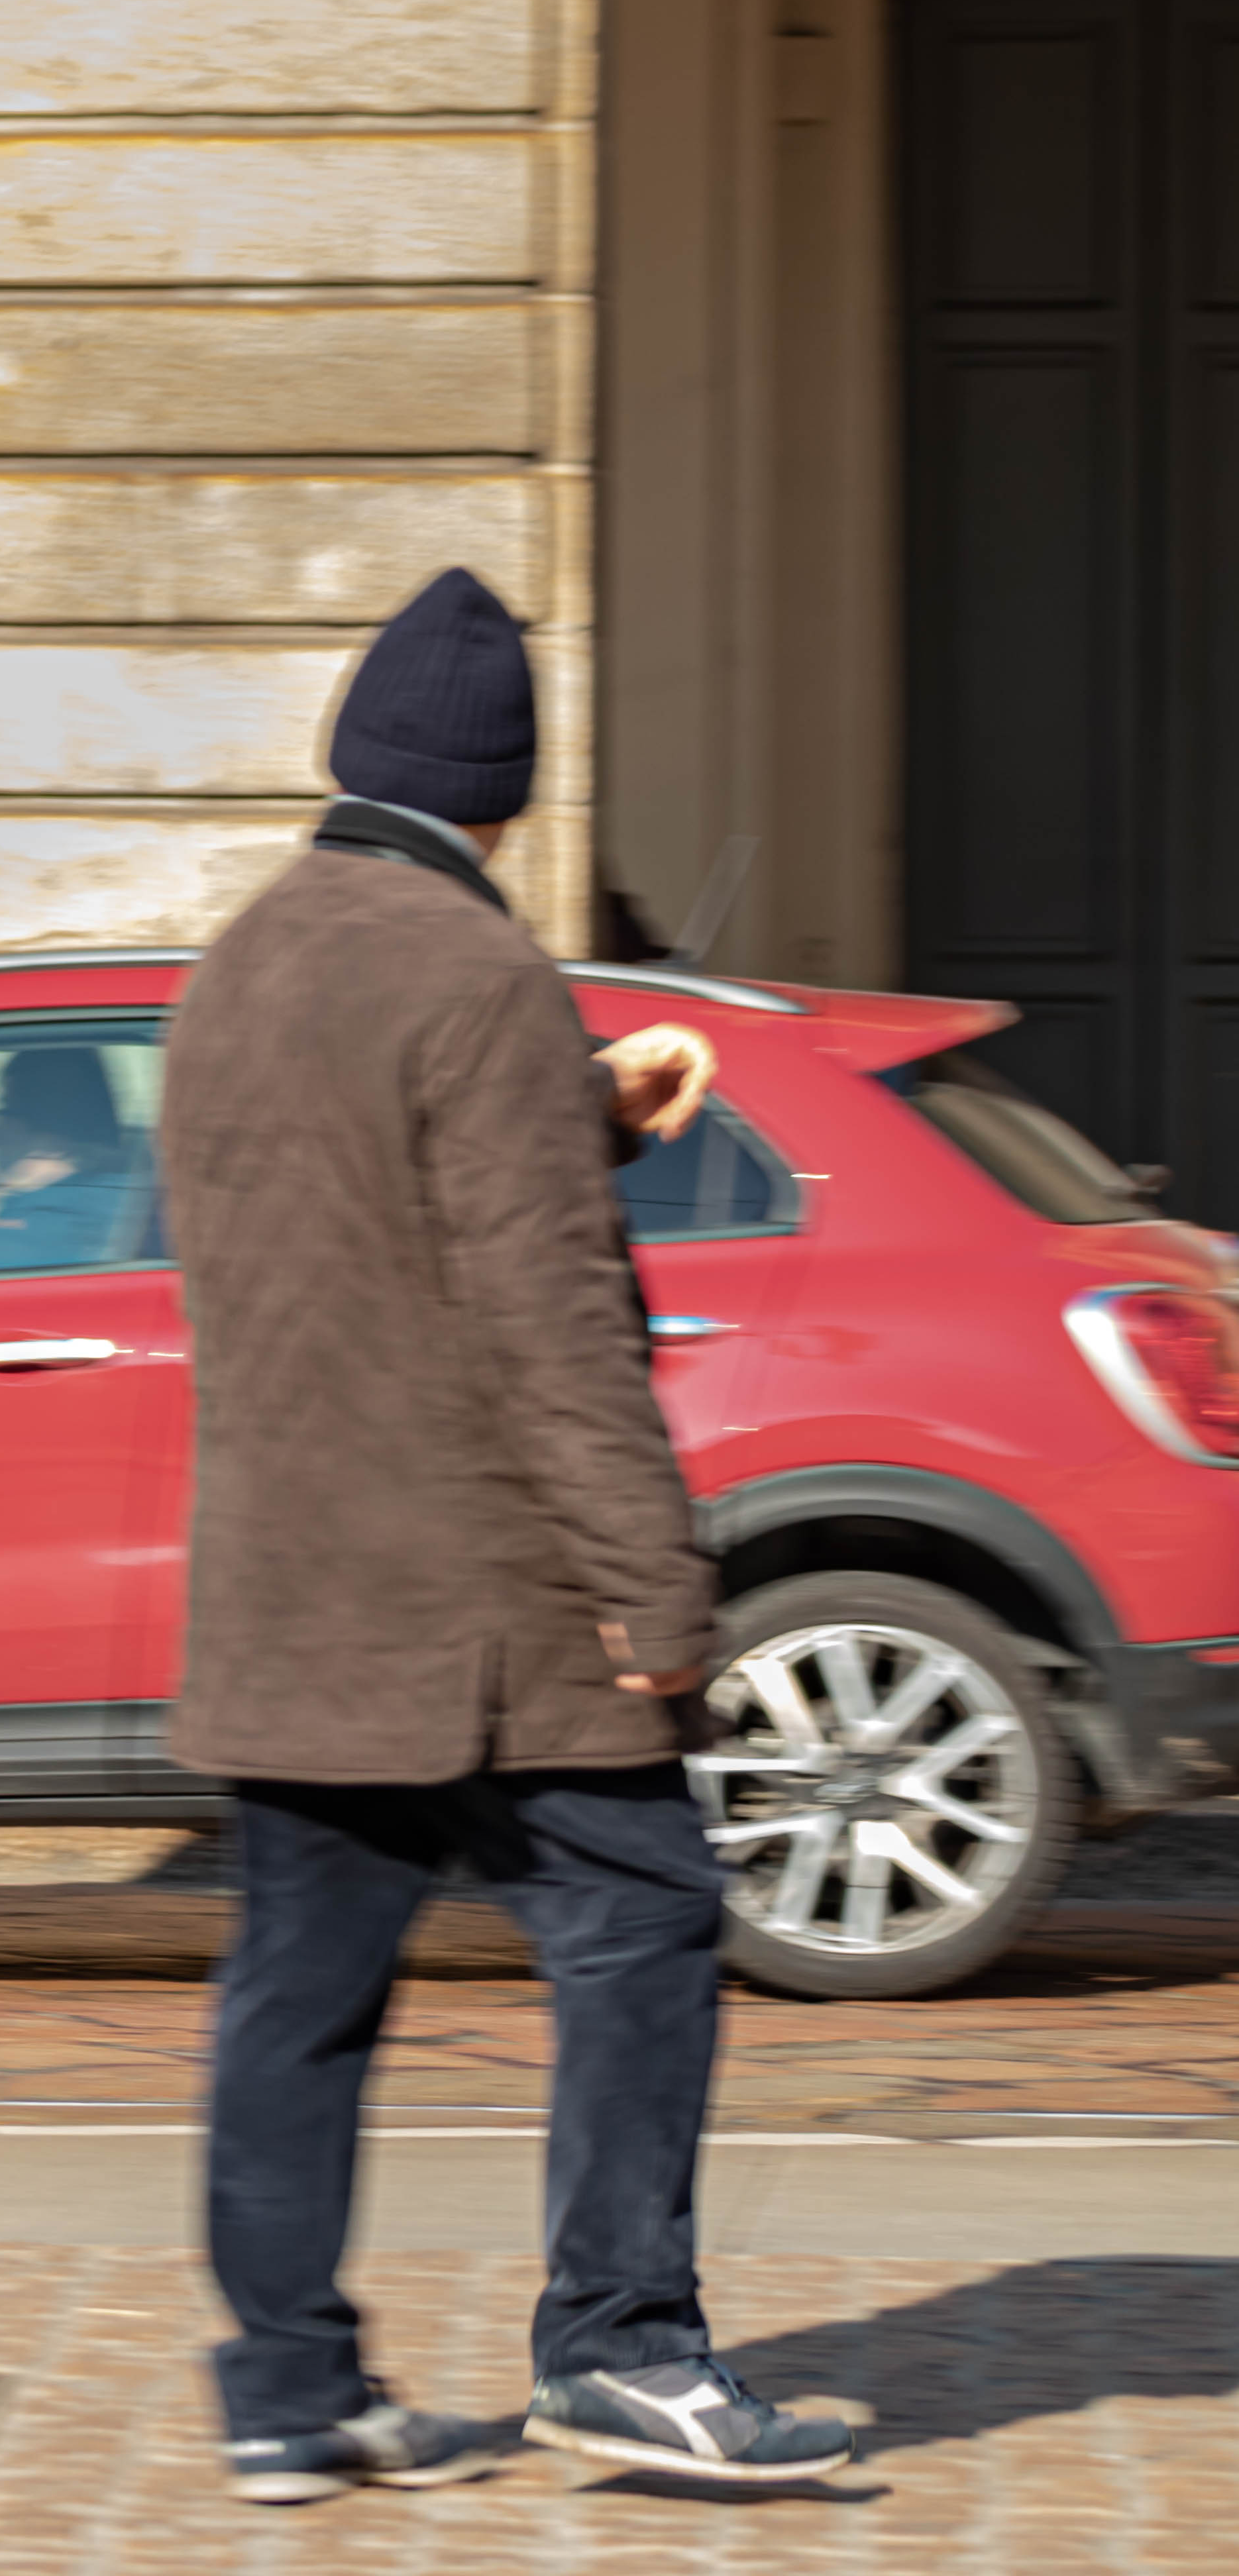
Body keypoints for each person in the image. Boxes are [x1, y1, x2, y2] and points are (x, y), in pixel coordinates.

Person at [159, 568, 854, 2501]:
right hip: (489, 1613)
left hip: (295, 1597)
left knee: (299, 1993)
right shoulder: (478, 978)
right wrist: (661, 1593)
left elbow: (357, 1213)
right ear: (507, 800)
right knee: (646, 1919)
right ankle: (623, 2352)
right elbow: (546, 1327)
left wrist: (578, 1109)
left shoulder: (243, 963)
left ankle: (289, 2393)